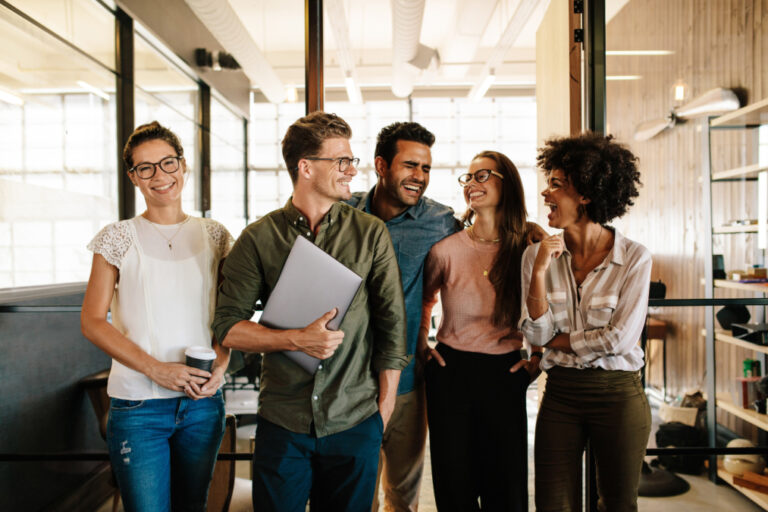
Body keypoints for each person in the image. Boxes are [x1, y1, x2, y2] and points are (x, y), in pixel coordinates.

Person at [212, 111, 409, 512]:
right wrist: (294, 339)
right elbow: (227, 327)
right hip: (283, 421)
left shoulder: (370, 233)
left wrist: (382, 412)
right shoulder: (259, 238)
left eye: (351, 161)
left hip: (355, 418)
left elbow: (392, 327)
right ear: (305, 167)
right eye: (341, 161)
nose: (352, 170)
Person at [81, 121, 232, 512]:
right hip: (138, 408)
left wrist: (223, 362)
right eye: (145, 167)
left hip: (201, 404)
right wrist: (157, 370)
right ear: (133, 176)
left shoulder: (216, 235)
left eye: (167, 163)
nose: (159, 176)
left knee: (192, 506)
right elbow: (93, 321)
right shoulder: (117, 237)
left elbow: (231, 314)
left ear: (183, 166)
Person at [520, 132, 652, 512]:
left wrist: (557, 339)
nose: (546, 193)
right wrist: (541, 268)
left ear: (588, 194)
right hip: (560, 394)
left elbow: (620, 341)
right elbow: (535, 333)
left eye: (557, 185)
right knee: (552, 504)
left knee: (616, 504)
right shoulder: (535, 257)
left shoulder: (635, 258)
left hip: (618, 394)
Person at [419, 151, 542, 512]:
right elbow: (425, 300)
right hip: (450, 372)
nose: (472, 184)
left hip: (504, 372)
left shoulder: (529, 247)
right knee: (454, 485)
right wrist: (422, 345)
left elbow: (548, 308)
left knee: (506, 487)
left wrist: (538, 355)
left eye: (483, 175)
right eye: (468, 178)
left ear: (508, 183)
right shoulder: (445, 250)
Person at [345, 122, 459, 512]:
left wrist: (527, 230)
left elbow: (489, 239)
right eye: (410, 165)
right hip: (348, 382)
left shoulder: (440, 222)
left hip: (409, 379)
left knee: (402, 497)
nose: (420, 177)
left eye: (426, 168)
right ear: (381, 165)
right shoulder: (342, 214)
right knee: (356, 496)